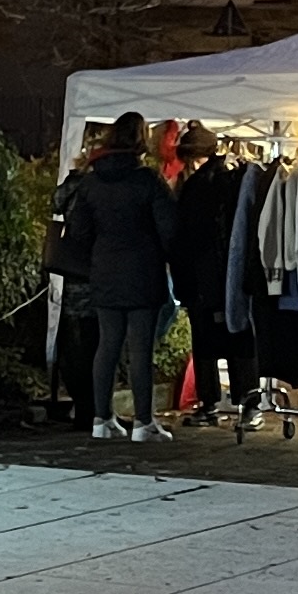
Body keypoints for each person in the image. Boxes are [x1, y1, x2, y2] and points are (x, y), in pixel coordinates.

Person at [59, 110, 181, 444]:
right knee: (140, 347)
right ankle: (143, 423)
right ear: (141, 140)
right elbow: (169, 229)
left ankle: (102, 419)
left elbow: (79, 232)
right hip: (143, 271)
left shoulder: (91, 182)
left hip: (104, 271)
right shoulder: (147, 180)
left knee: (107, 344)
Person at [169, 124, 244, 426]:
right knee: (236, 337)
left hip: (201, 277)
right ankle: (245, 400)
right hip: (227, 276)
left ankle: (210, 402)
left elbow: (185, 236)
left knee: (205, 342)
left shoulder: (197, 186)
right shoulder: (232, 180)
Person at [37, 124, 103, 425]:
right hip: (100, 276)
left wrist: (76, 176)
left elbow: (56, 202)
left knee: (77, 346)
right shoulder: (105, 185)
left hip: (75, 275)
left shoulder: (76, 186)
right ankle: (93, 405)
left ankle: (83, 404)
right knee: (98, 345)